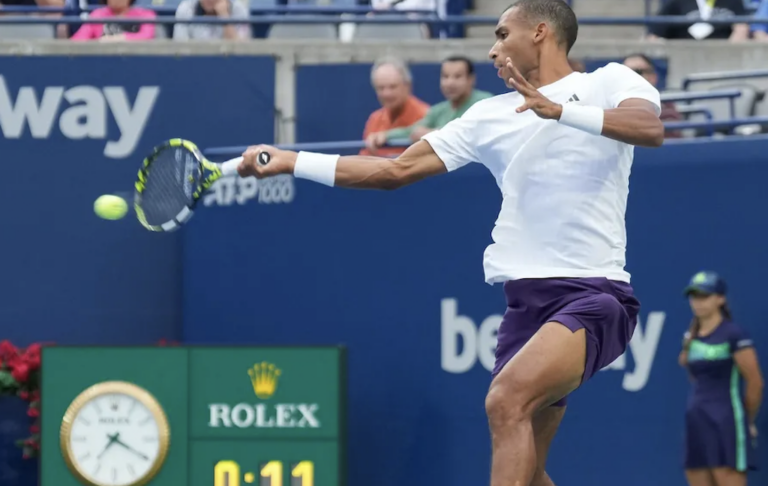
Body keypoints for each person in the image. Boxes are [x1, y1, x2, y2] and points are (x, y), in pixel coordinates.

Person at [236, 1, 664, 485]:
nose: (493, 48)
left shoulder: (606, 82)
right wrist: (293, 160)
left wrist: (560, 112)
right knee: (530, 470)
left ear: (542, 32)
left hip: (594, 295)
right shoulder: (487, 116)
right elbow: (392, 171)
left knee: (505, 400)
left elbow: (650, 128)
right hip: (524, 304)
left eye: (503, 34)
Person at [680, 271, 763, 486]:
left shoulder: (735, 334)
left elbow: (755, 382)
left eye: (704, 296)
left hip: (727, 423)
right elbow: (696, 377)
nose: (698, 302)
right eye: (694, 296)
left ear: (720, 299)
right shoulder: (690, 337)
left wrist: (747, 420)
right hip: (697, 421)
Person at [367, 56, 493, 150]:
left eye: (457, 76)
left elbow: (468, 133)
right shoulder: (438, 110)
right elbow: (412, 131)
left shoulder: (484, 102)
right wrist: (385, 135)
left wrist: (433, 134)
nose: (450, 83)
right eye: (445, 76)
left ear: (471, 79)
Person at [70, 0, 156, 41]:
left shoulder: (145, 14)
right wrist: (99, 42)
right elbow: (78, 39)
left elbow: (147, 36)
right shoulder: (97, 15)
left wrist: (121, 38)